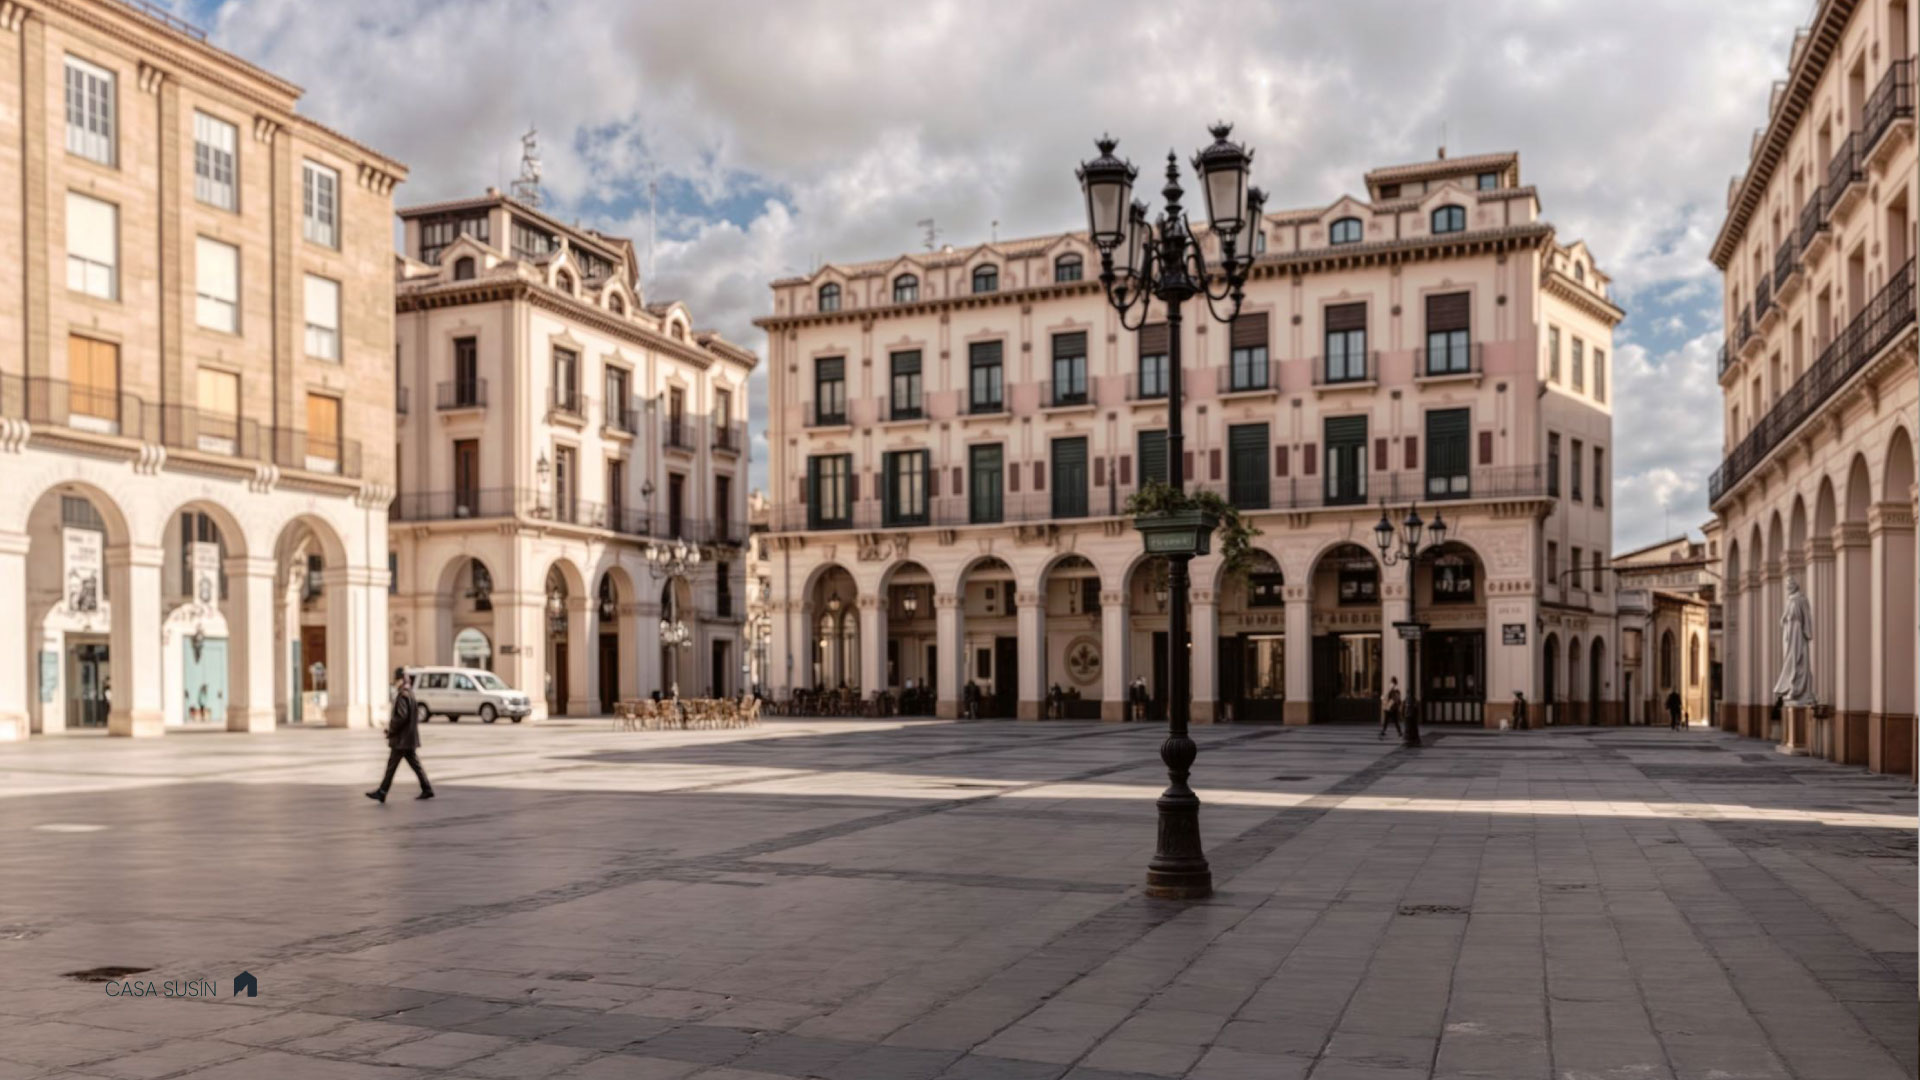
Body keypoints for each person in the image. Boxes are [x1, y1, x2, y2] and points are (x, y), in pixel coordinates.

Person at [367, 670, 433, 803]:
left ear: (401, 680)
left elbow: (401, 717)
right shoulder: (410, 694)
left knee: (392, 766)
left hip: (401, 740)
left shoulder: (403, 695)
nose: (395, 683)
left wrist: (391, 730)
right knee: (414, 765)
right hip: (408, 738)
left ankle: (382, 791)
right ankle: (426, 788)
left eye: (396, 680)